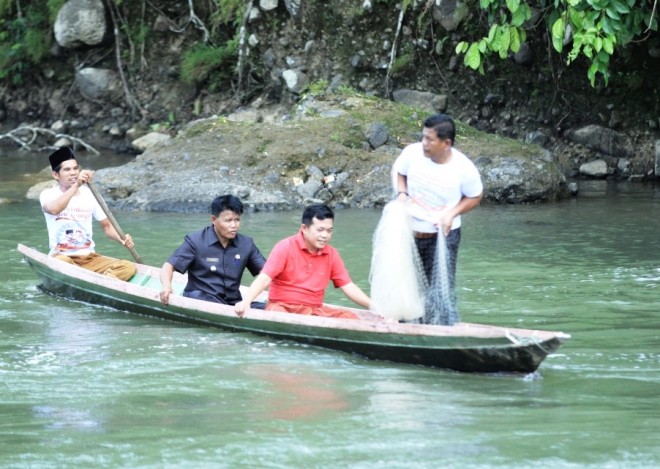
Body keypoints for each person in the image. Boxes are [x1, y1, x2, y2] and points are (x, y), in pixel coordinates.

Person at [392, 113, 483, 310]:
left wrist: (452, 213)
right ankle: (406, 328)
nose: (424, 143)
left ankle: (439, 330)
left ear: (446, 143)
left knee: (440, 290)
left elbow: (475, 196)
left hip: (444, 234)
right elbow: (401, 172)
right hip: (411, 231)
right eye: (423, 137)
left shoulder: (463, 168)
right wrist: (401, 194)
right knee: (408, 286)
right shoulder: (411, 153)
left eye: (429, 139)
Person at [234, 204, 371, 319]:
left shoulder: (332, 254)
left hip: (314, 310)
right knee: (280, 317)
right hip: (282, 307)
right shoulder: (285, 247)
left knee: (351, 318)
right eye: (320, 230)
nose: (325, 235)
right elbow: (264, 278)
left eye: (329, 231)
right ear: (304, 229)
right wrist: (246, 302)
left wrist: (375, 306)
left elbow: (348, 286)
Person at [40, 147, 136, 281]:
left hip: (89, 259)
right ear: (56, 175)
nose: (73, 173)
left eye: (75, 168)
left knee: (128, 266)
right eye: (67, 170)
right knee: (62, 263)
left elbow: (107, 227)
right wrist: (77, 185)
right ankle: (94, 280)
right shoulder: (48, 195)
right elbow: (54, 209)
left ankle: (103, 282)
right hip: (62, 257)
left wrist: (121, 238)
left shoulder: (90, 194)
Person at [159, 194, 266, 307]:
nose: (234, 225)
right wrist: (166, 287)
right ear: (214, 219)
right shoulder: (196, 241)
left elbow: (268, 273)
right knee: (200, 297)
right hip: (200, 299)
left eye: (237, 220)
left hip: (233, 303)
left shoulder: (246, 244)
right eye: (228, 220)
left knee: (269, 308)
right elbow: (168, 267)